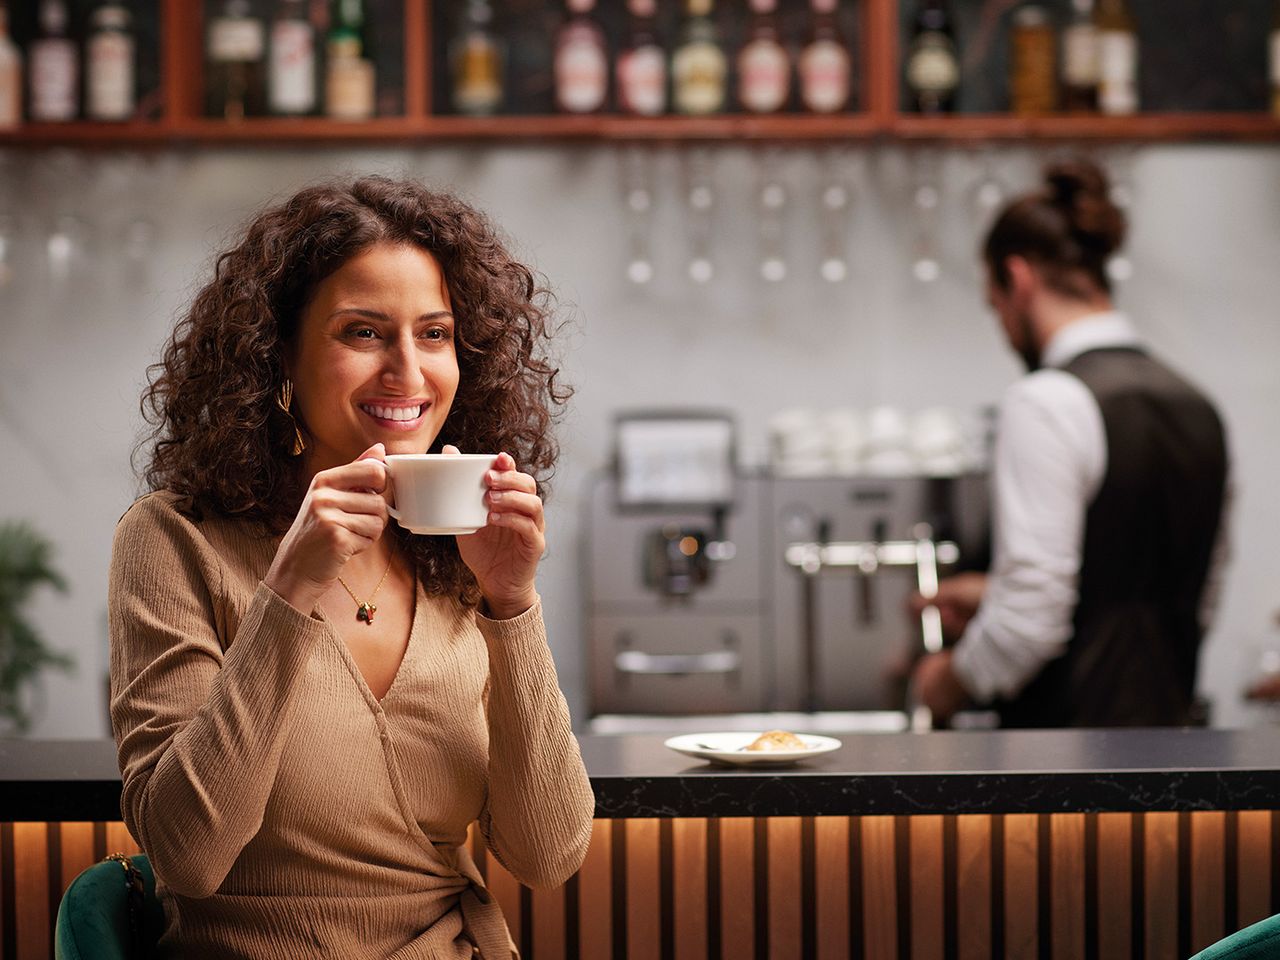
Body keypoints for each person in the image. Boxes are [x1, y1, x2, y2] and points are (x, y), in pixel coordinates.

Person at [108, 176, 594, 959]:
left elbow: (549, 855)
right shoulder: (175, 541)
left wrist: (512, 604)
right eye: (364, 332)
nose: (409, 371)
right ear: (278, 359)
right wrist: (289, 591)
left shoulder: (456, 553)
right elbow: (189, 856)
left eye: (434, 334)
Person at [910, 158, 1228, 728]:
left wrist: (948, 682)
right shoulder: (1199, 406)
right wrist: (994, 591)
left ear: (1020, 279)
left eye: (996, 306)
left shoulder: (1046, 401)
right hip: (1177, 747)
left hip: (1066, 765)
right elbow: (1185, 591)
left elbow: (1031, 622)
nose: (1004, 328)